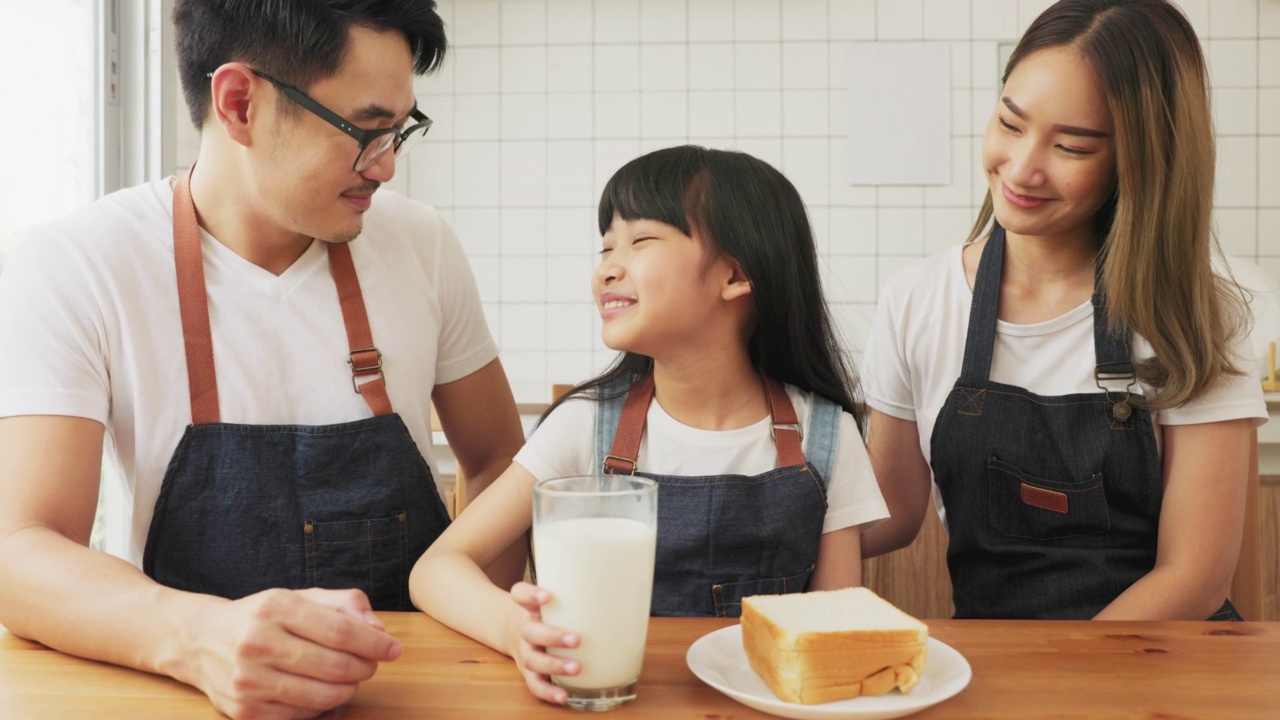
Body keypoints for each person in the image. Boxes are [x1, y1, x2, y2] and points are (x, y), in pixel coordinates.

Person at [0, 1, 526, 718]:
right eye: (366, 131)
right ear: (240, 103)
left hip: (410, 693)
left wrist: (473, 645)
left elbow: (498, 461)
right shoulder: (79, 264)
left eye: (400, 130)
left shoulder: (422, 245)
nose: (389, 165)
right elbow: (20, 547)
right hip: (184, 693)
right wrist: (197, 638)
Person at [410, 145, 889, 704]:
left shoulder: (827, 436)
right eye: (607, 245)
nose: (607, 266)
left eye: (640, 241)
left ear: (734, 274)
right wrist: (514, 630)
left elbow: (832, 635)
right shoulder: (583, 428)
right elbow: (436, 569)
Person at [859, 0, 1266, 621]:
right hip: (1000, 674)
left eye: (1072, 147)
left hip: (1159, 672)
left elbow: (1195, 578)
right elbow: (888, 513)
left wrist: (1063, 689)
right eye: (1010, 123)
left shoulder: (1191, 316)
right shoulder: (918, 298)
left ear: (1140, 162)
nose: (1022, 169)